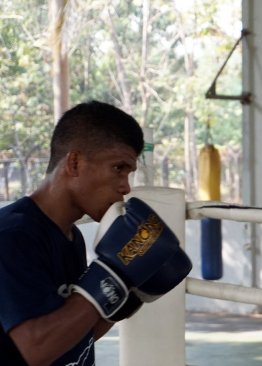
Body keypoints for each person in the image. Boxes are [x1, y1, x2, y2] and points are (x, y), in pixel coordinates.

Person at [0, 101, 191, 365]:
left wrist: (129, 296)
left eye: (129, 173)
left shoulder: (71, 237)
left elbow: (76, 337)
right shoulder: (12, 236)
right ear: (75, 163)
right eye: (118, 168)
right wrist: (111, 277)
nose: (125, 187)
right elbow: (36, 349)